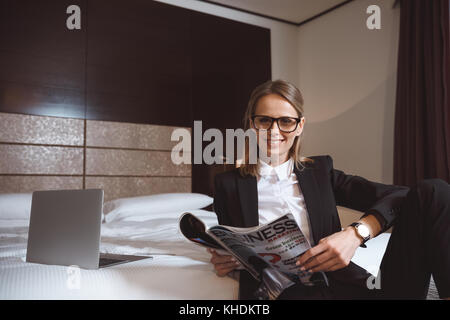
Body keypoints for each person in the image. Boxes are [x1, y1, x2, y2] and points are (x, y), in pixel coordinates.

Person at [208, 79, 450, 300]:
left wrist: (355, 234)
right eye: (264, 120)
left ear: (299, 126)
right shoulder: (228, 185)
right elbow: (232, 244)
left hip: (348, 287)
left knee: (434, 191)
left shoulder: (320, 172)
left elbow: (400, 195)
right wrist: (228, 260)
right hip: (287, 293)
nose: (274, 131)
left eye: (285, 121)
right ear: (252, 123)